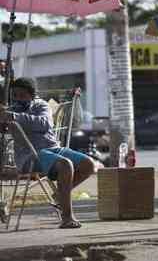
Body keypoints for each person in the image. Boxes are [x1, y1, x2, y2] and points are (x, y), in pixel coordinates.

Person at [0, 78, 95, 229]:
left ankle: (59, 194)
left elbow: (45, 123)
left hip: (53, 149)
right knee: (66, 165)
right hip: (29, 156)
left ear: (32, 95)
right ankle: (67, 217)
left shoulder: (42, 105)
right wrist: (4, 119)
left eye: (22, 95)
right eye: (15, 95)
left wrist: (15, 117)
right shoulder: (11, 110)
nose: (18, 99)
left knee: (89, 165)